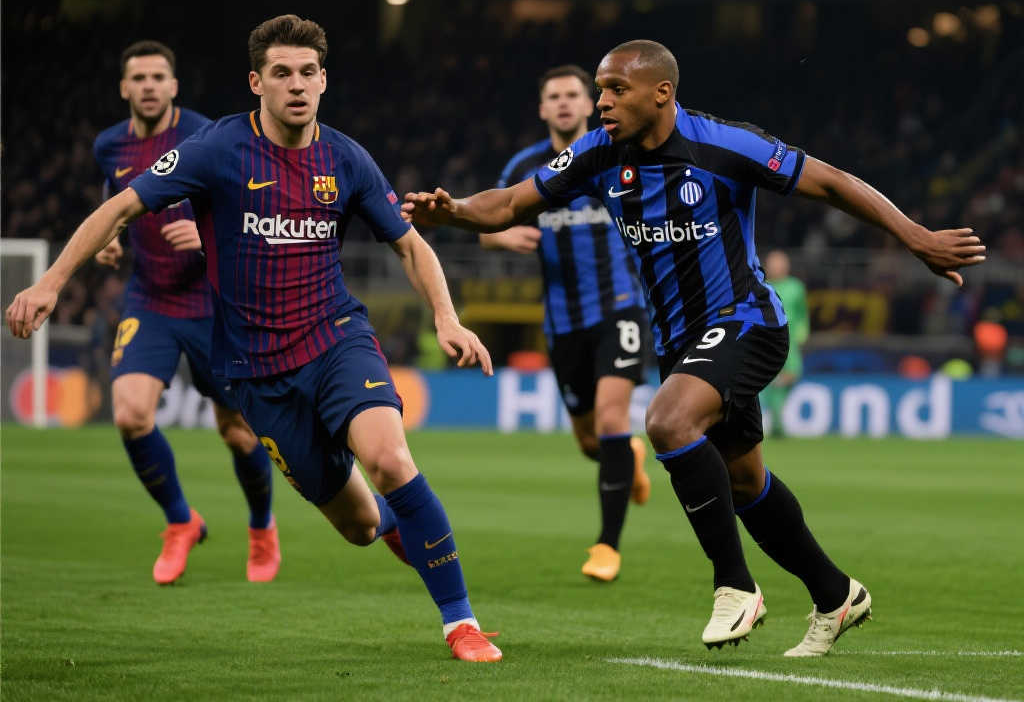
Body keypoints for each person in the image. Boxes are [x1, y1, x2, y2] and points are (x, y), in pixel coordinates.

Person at [401, 39, 985, 656]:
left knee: (667, 421)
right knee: (744, 482)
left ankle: (735, 586)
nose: (602, 102)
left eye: (616, 90)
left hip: (747, 320)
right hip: (680, 342)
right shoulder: (598, 152)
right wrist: (453, 211)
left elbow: (833, 183)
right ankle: (835, 594)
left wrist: (915, 237)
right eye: (600, 90)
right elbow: (511, 203)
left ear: (662, 93)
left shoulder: (725, 145)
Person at [7, 15, 502, 662]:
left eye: (307, 72)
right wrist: (51, 281)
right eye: (281, 73)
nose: (296, 84)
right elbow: (121, 206)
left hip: (336, 339)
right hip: (257, 372)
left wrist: (446, 317)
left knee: (389, 460)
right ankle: (391, 527)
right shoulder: (217, 149)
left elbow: (409, 245)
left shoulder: (346, 158)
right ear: (256, 82)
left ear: (323, 80)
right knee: (359, 526)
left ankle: (461, 623)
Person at [92, 40, 279, 585]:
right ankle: (181, 521)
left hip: (211, 301)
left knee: (238, 433)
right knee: (130, 414)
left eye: (158, 77)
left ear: (174, 86)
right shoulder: (109, 145)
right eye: (139, 78)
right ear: (124, 88)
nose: (149, 86)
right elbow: (115, 194)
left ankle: (262, 528)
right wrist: (111, 236)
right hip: (149, 298)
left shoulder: (206, 135)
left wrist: (204, 233)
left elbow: (251, 204)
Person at [481, 64, 651, 582]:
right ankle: (629, 457)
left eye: (572, 94)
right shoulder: (526, 165)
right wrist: (500, 237)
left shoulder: (618, 154)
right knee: (590, 442)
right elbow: (490, 220)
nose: (563, 103)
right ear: (542, 108)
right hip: (562, 322)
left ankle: (607, 546)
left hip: (620, 308)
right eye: (553, 95)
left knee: (612, 419)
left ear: (589, 103)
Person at [759, 250, 808, 436]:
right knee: (766, 382)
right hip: (765, 342)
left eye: (780, 263)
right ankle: (775, 422)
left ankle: (777, 420)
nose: (777, 267)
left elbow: (802, 313)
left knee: (790, 375)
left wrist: (802, 333)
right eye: (773, 263)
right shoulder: (761, 286)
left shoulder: (796, 287)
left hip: (790, 342)